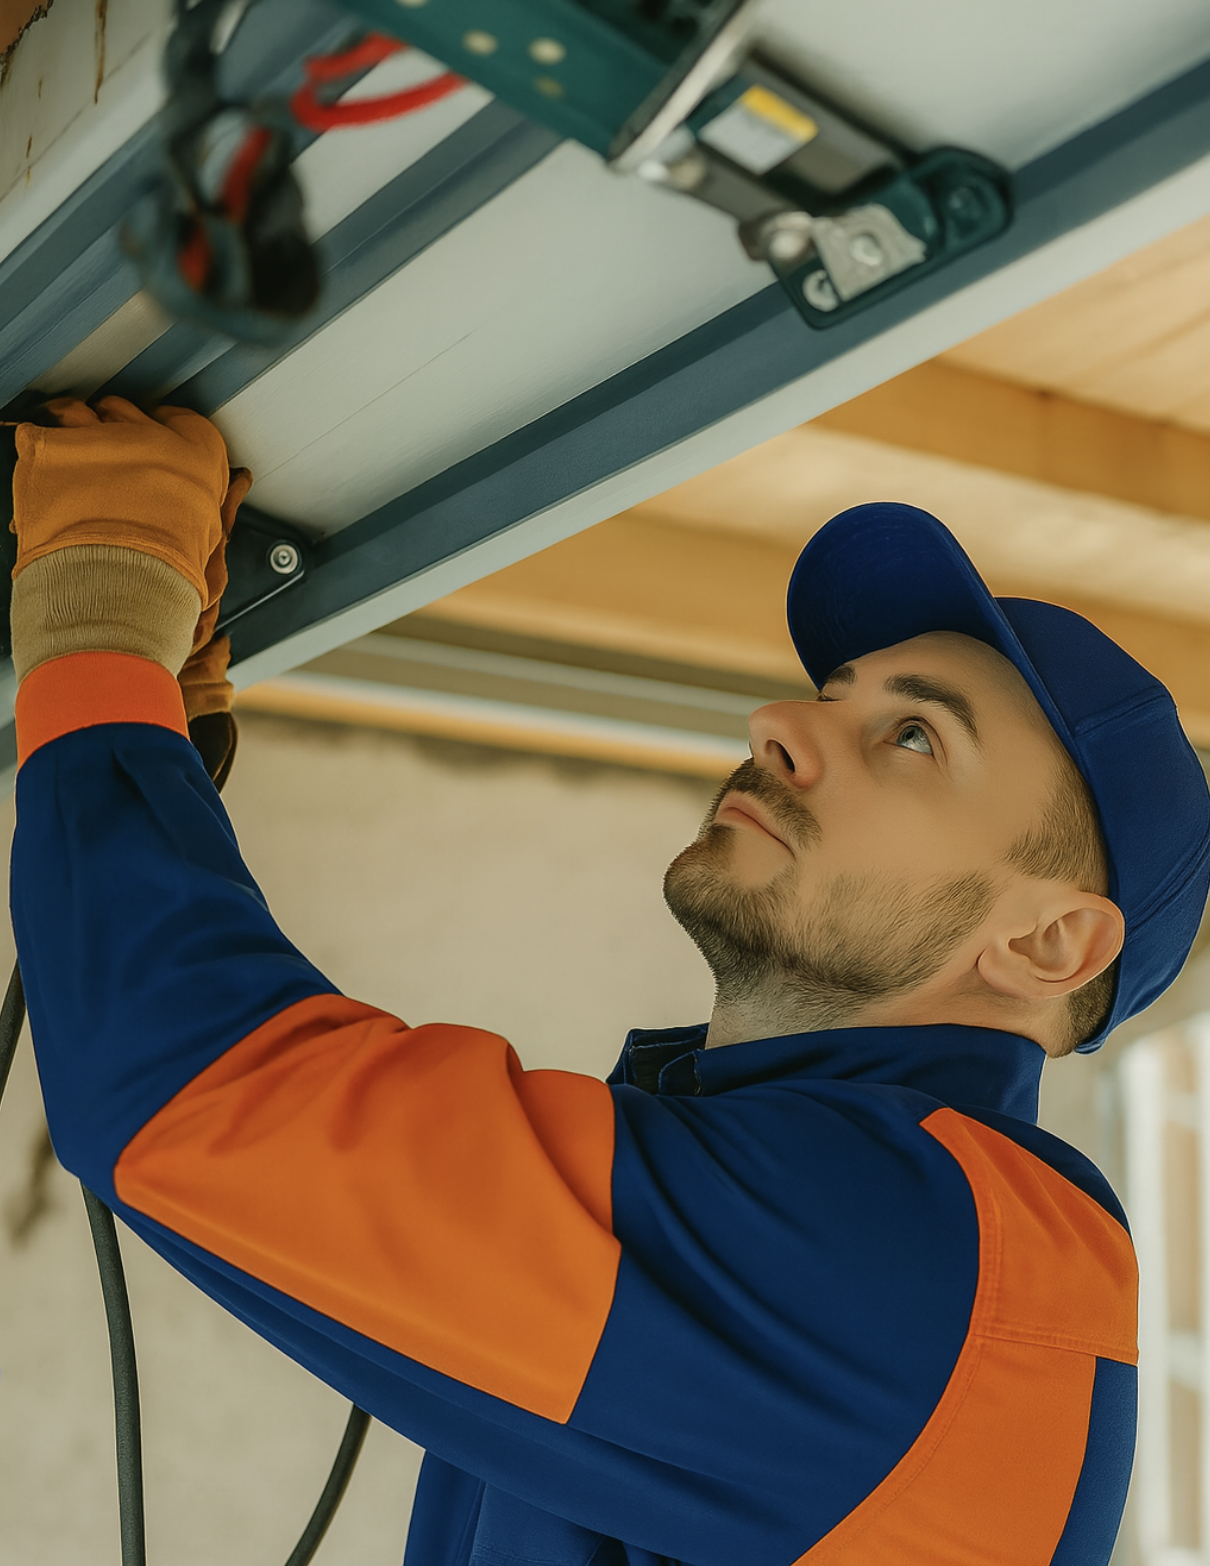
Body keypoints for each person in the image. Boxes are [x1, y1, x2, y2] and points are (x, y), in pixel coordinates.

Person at [8, 396, 1208, 1566]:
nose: (777, 720)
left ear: (1048, 946)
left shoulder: (917, 1259)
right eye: (832, 695)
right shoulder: (852, 1219)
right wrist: (148, 719)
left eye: (912, 736)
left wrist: (105, 609)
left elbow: (195, 1086)